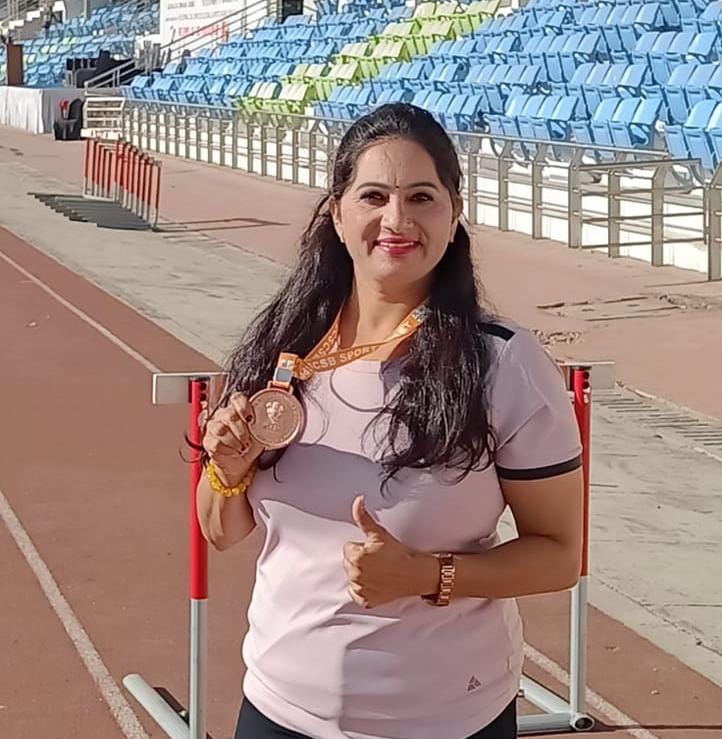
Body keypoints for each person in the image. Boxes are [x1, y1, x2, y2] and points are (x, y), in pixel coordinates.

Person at [196, 103, 583, 739]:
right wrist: (227, 470)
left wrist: (429, 576)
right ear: (337, 213)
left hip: (445, 718)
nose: (397, 221)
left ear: (454, 215)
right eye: (373, 196)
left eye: (421, 197)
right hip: (277, 707)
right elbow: (220, 529)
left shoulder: (504, 362)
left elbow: (559, 555)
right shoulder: (284, 346)